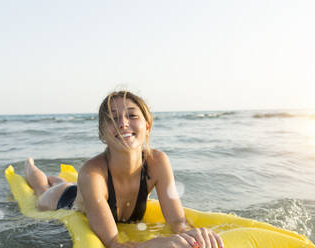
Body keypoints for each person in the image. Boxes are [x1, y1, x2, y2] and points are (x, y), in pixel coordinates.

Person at [24, 91, 224, 248]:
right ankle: (30, 166)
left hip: (87, 191)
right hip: (64, 200)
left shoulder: (158, 162)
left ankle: (59, 180)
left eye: (131, 115)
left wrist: (194, 235)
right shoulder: (91, 173)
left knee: (63, 182)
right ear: (102, 134)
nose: (123, 123)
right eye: (112, 118)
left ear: (147, 126)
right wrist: (158, 244)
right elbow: (113, 243)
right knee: (42, 189)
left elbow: (177, 221)